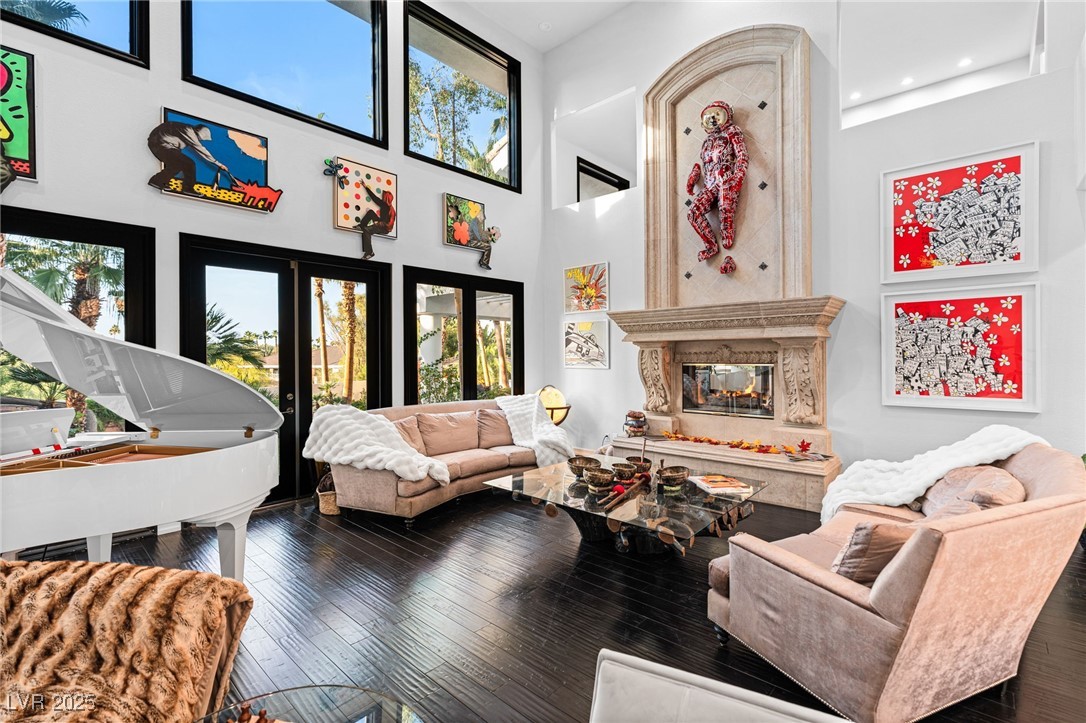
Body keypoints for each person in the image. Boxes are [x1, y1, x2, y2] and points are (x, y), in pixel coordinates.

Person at [147, 121, 229, 195]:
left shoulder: (185, 130)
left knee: (177, 165)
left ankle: (158, 181)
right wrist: (218, 164)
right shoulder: (189, 131)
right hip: (161, 144)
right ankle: (188, 188)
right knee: (189, 164)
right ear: (197, 133)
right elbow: (201, 150)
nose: (199, 140)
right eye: (199, 138)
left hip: (159, 144)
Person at [354, 180, 395, 260]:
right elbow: (374, 198)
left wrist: (379, 223)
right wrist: (366, 187)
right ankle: (361, 225)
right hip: (380, 223)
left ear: (386, 198)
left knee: (367, 230)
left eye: (384, 197)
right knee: (370, 212)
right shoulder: (383, 204)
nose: (382, 197)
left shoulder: (392, 211)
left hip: (384, 228)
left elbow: (390, 226)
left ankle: (370, 252)